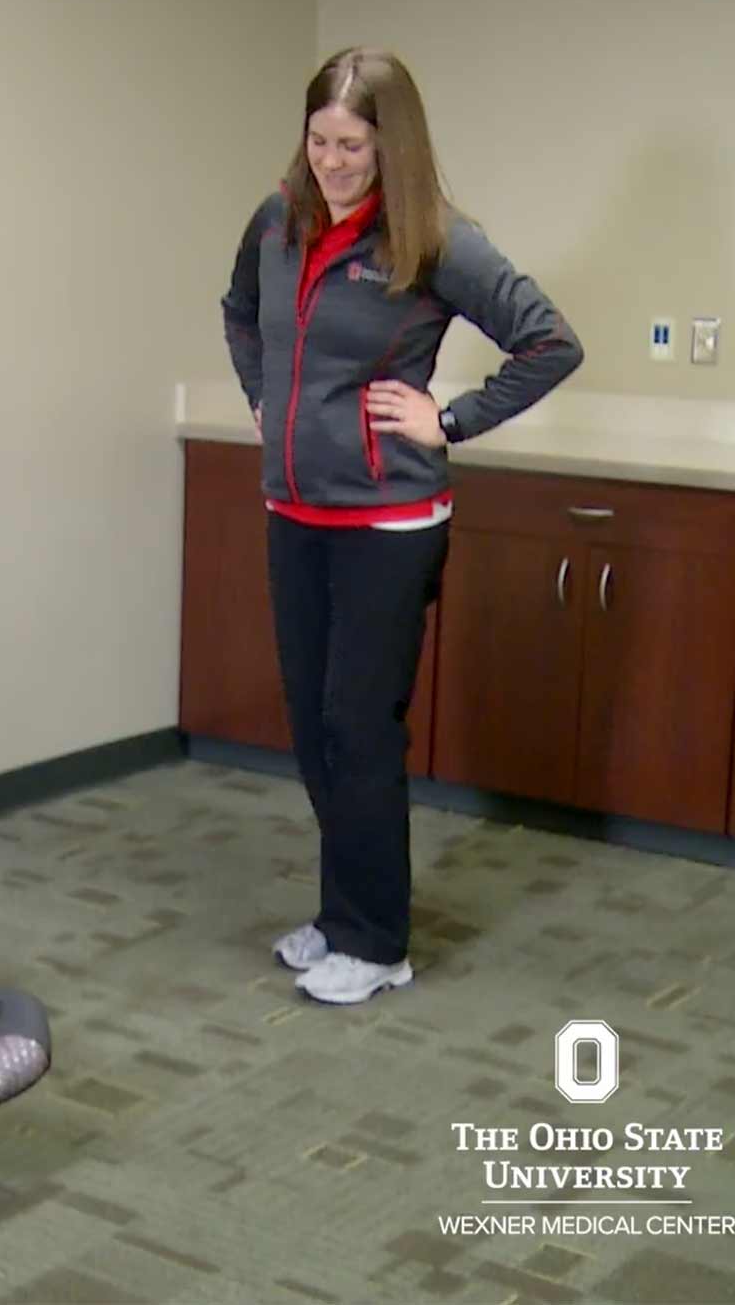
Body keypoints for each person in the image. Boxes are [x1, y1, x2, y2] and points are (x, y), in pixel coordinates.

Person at [219, 48, 583, 1006]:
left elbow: (551, 342)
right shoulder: (278, 220)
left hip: (388, 518)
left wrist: (448, 418)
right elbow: (240, 314)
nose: (333, 162)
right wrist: (263, 398)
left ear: (393, 144)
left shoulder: (434, 238)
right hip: (293, 509)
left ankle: (379, 943)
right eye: (320, 141)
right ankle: (344, 915)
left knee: (358, 726)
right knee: (312, 727)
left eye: (353, 146)